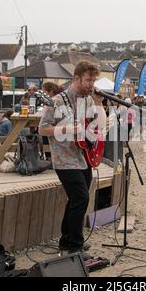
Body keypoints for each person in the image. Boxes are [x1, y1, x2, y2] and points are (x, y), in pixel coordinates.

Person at [39, 61, 106, 254]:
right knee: (81, 198)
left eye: (94, 80)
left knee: (76, 200)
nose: (91, 84)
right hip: (64, 158)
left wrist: (99, 103)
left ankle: (67, 239)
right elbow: (42, 129)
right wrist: (67, 128)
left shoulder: (87, 99)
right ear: (76, 78)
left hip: (83, 156)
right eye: (88, 80)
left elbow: (98, 126)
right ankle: (75, 246)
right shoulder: (57, 101)